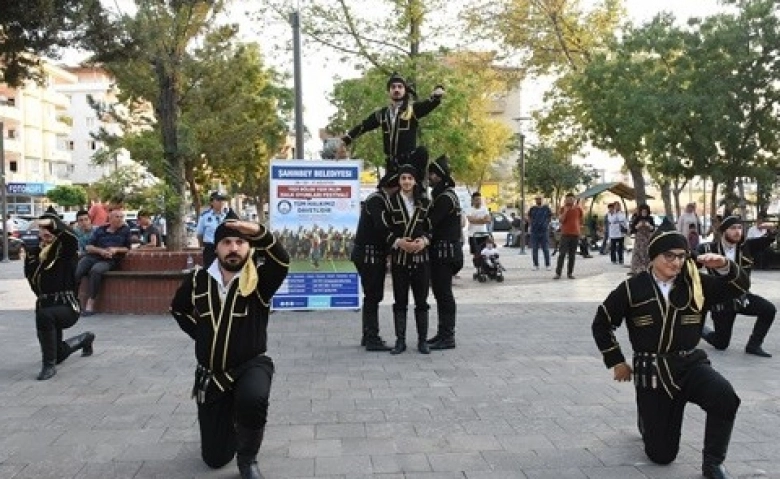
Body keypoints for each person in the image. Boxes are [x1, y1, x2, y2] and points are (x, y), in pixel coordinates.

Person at [592, 219, 750, 479]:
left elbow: (740, 286)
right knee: (662, 456)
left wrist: (724, 265)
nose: (675, 263)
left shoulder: (696, 284)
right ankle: (647, 416)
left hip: (691, 365)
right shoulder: (633, 288)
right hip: (653, 372)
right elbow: (602, 323)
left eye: (681, 256)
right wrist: (616, 361)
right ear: (653, 257)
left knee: (725, 397)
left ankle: (713, 463)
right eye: (669, 256)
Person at [170, 211, 290, 479]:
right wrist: (202, 335)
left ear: (249, 247)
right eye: (227, 243)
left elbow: (282, 261)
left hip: (251, 364)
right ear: (217, 247)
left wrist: (258, 230)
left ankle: (248, 459)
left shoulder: (260, 281)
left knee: (253, 398)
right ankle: (232, 426)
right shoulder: (197, 280)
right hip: (211, 374)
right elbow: (178, 310)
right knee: (214, 459)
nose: (233, 248)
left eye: (240, 242)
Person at [24, 207, 95, 380]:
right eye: (42, 229)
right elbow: (33, 282)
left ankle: (47, 366)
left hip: (66, 306)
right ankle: (85, 339)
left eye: (49, 228)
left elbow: (71, 238)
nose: (46, 232)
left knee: (44, 315)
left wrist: (54, 225)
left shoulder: (65, 251)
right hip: (46, 306)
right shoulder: (34, 252)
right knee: (58, 354)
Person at [341, 72, 444, 185]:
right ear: (389, 91)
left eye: (400, 87)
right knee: (382, 191)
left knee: (421, 153)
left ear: (404, 90)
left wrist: (437, 94)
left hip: (409, 163)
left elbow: (428, 105)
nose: (396, 89)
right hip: (391, 165)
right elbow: (364, 126)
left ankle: (420, 192)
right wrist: (346, 140)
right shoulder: (382, 114)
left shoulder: (412, 110)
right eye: (393, 87)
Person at [699, 215, 777, 357]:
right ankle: (702, 331)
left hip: (742, 298)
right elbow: (693, 259)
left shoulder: (747, 247)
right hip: (721, 302)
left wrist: (772, 231)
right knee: (721, 344)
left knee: (769, 309)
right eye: (733, 228)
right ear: (723, 231)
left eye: (740, 228)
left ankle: (754, 345)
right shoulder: (709, 248)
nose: (737, 231)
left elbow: (767, 240)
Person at [385, 164, 431, 355]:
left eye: (410, 178)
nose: (406, 182)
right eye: (403, 178)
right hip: (400, 259)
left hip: (421, 258)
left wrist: (425, 241)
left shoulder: (424, 202)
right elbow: (383, 229)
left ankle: (422, 341)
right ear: (399, 181)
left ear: (415, 181)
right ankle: (400, 341)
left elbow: (432, 227)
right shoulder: (391, 202)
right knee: (400, 300)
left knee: (422, 301)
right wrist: (397, 242)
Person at [351, 172, 399, 352]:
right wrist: (395, 241)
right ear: (393, 186)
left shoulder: (378, 199)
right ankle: (372, 337)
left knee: (373, 295)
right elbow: (381, 226)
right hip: (369, 255)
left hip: (369, 254)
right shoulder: (377, 201)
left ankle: (368, 334)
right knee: (373, 295)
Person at [425, 155, 463, 350]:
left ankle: (448, 336)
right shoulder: (444, 195)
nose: (429, 177)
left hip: (445, 254)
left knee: (444, 294)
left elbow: (430, 223)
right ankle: (442, 333)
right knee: (441, 294)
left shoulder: (445, 198)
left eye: (432, 174)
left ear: (439, 176)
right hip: (444, 252)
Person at [74, 209, 132, 315]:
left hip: (111, 260)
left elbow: (128, 248)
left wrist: (115, 250)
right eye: (117, 217)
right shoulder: (100, 230)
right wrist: (101, 251)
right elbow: (89, 247)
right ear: (110, 218)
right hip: (94, 256)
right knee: (78, 270)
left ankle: (90, 304)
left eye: (121, 217)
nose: (120, 219)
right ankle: (73, 299)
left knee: (96, 271)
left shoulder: (125, 230)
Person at [554, 193, 583, 280]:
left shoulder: (578, 209)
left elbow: (581, 220)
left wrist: (579, 231)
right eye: (568, 199)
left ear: (574, 199)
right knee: (562, 254)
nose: (570, 200)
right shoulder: (563, 208)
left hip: (575, 234)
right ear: (565, 200)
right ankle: (558, 273)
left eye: (571, 199)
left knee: (572, 255)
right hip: (565, 234)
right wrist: (566, 211)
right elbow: (561, 220)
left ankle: (570, 273)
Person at [196, 191, 229, 267]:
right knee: (210, 272)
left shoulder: (227, 216)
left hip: (225, 248)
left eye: (222, 200)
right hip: (210, 249)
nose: (221, 202)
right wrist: (203, 247)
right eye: (218, 200)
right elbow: (199, 234)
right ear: (211, 202)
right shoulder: (205, 216)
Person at [629, 204, 656, 276]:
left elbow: (653, 229)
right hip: (639, 238)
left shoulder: (650, 218)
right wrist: (638, 225)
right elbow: (633, 229)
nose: (644, 213)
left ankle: (648, 267)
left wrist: (649, 225)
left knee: (647, 252)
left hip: (647, 238)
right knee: (638, 252)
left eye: (645, 211)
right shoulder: (637, 218)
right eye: (643, 211)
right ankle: (637, 269)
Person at [466, 192, 491, 263]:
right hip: (473, 235)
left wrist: (477, 220)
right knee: (476, 254)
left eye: (479, 199)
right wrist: (482, 220)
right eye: (476, 199)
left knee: (485, 252)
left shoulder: (484, 209)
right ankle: (478, 268)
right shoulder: (469, 209)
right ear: (473, 200)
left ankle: (485, 267)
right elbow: (471, 220)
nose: (478, 201)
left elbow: (488, 220)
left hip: (484, 234)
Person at [528, 195, 552, 270]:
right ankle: (536, 265)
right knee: (534, 249)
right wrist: (531, 224)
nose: (538, 200)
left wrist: (547, 224)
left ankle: (547, 265)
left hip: (544, 231)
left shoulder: (546, 208)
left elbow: (550, 216)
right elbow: (528, 216)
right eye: (537, 199)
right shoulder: (532, 209)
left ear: (542, 200)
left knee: (546, 248)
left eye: (540, 199)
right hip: (534, 231)